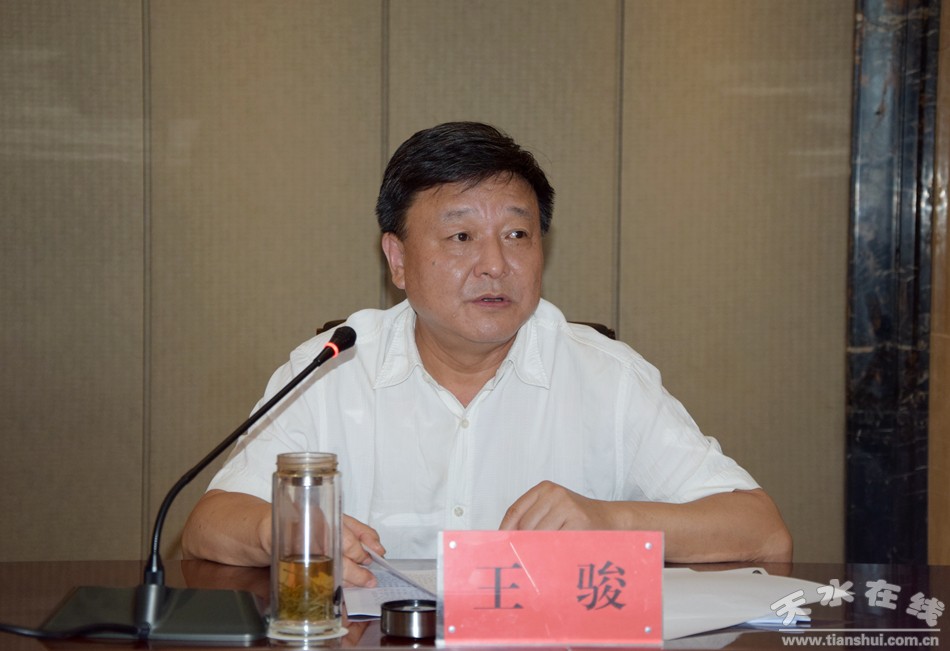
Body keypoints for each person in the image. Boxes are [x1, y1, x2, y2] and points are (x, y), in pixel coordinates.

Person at [182, 122, 792, 586]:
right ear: (397, 259)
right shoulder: (333, 368)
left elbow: (763, 534)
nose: (495, 264)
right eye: (461, 236)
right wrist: (286, 531)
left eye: (517, 235)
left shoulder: (605, 376)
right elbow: (208, 524)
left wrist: (612, 522)